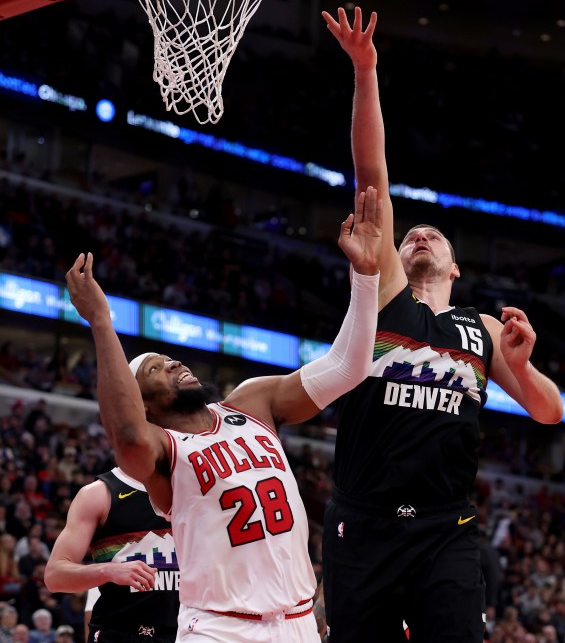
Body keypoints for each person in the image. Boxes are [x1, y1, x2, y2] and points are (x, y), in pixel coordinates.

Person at [318, 5, 564, 643]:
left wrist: (526, 362)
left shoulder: (482, 328)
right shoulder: (385, 297)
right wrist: (366, 70)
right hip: (364, 525)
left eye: (435, 236)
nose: (420, 234)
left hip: (445, 529)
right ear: (395, 254)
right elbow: (372, 176)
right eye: (411, 234)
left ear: (455, 270)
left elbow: (549, 412)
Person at [64, 188, 383, 643]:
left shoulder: (251, 402)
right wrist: (101, 322)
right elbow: (128, 432)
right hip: (219, 628)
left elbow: (347, 367)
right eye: (156, 367)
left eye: (171, 358)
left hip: (297, 623)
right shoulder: (161, 451)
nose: (174, 363)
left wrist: (366, 274)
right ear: (146, 404)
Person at [44, 467, 180, 643]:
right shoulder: (98, 494)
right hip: (119, 633)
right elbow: (54, 575)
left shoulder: (194, 488)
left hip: (189, 631)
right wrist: (109, 571)